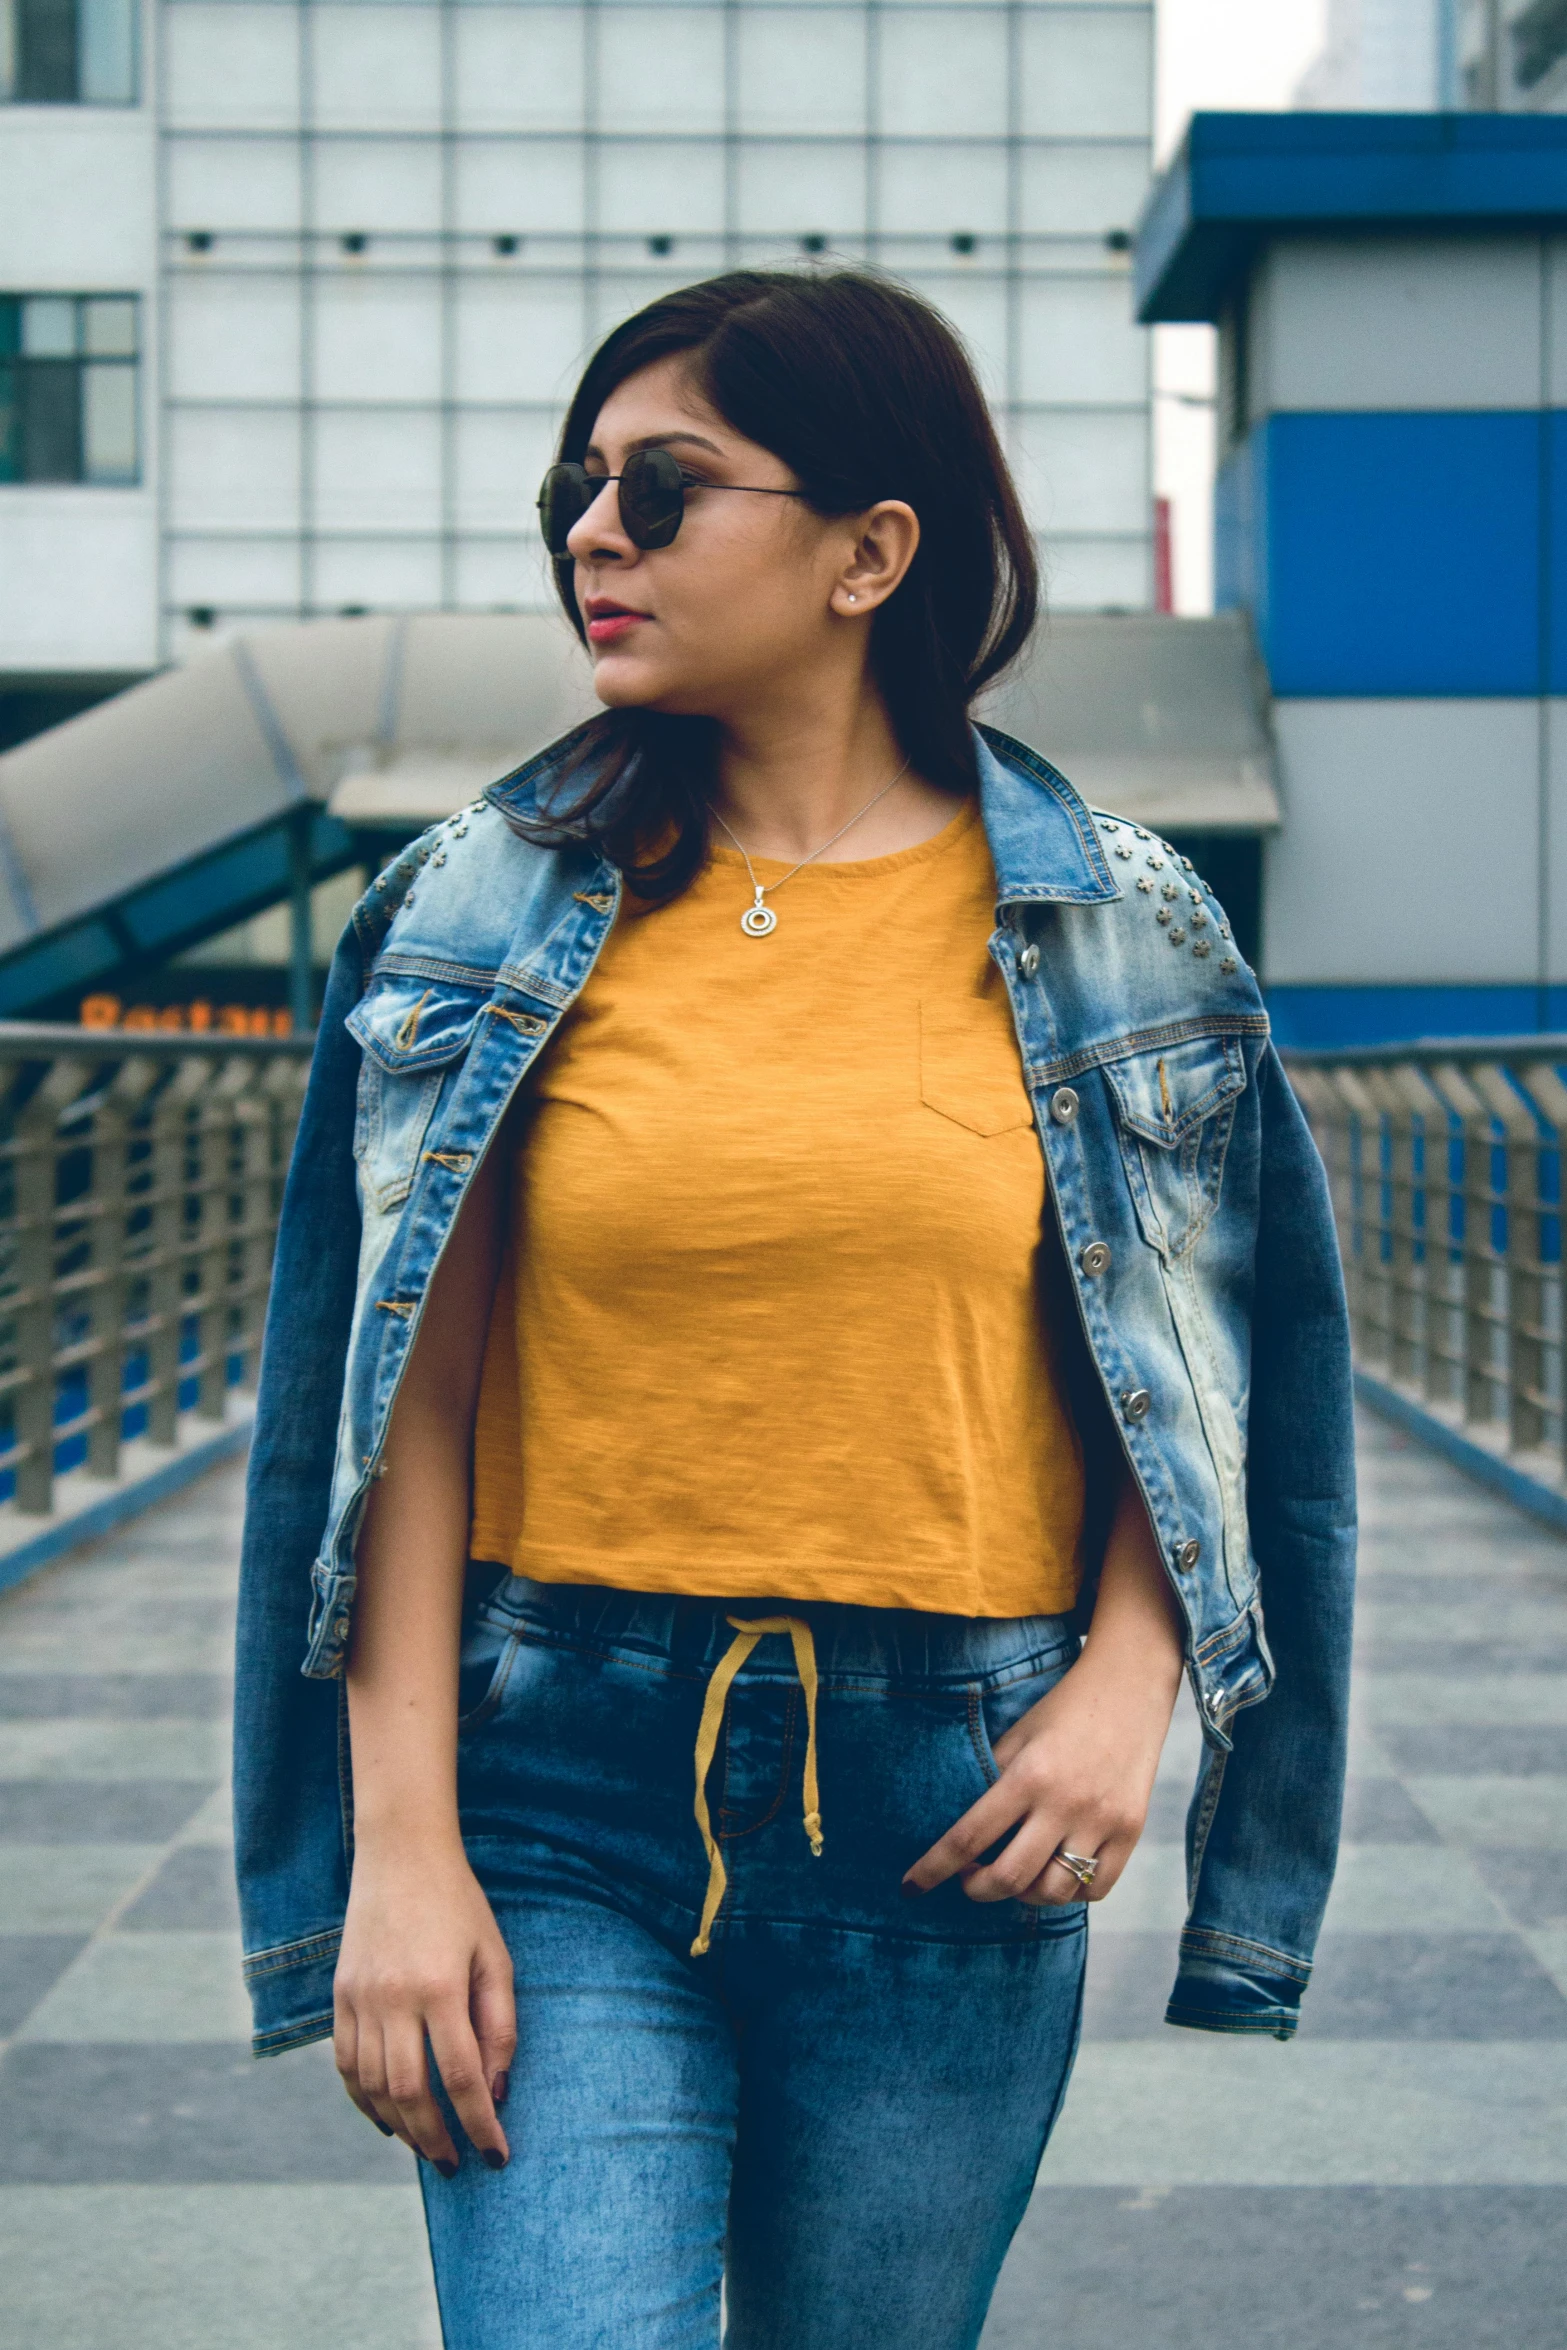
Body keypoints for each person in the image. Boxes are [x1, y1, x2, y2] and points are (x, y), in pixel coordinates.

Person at [233, 269, 1356, 2350]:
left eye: (663, 488)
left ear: (870, 549)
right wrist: (396, 1846)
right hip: (552, 1787)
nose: (593, 530)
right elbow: (403, 1409)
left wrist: (1130, 1685)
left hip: (954, 1805)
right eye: (577, 487)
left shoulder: (1120, 922)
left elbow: (1208, 1372)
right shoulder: (478, 905)